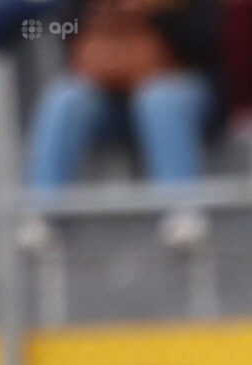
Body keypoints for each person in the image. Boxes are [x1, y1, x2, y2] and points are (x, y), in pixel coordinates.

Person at [20, 0, 222, 248]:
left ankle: (183, 214)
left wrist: (158, 12)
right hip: (110, 98)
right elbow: (64, 28)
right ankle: (44, 214)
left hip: (179, 89)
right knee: (65, 98)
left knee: (160, 99)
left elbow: (210, 41)